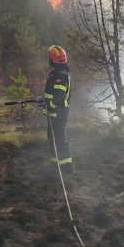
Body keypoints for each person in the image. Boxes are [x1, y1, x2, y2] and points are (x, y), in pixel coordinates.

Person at [35, 45, 73, 174]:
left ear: (52, 59)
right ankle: (56, 165)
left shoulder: (59, 75)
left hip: (57, 112)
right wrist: (43, 99)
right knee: (53, 138)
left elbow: (59, 97)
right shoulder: (61, 73)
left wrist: (47, 103)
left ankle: (66, 166)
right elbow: (53, 94)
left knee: (60, 138)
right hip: (55, 112)